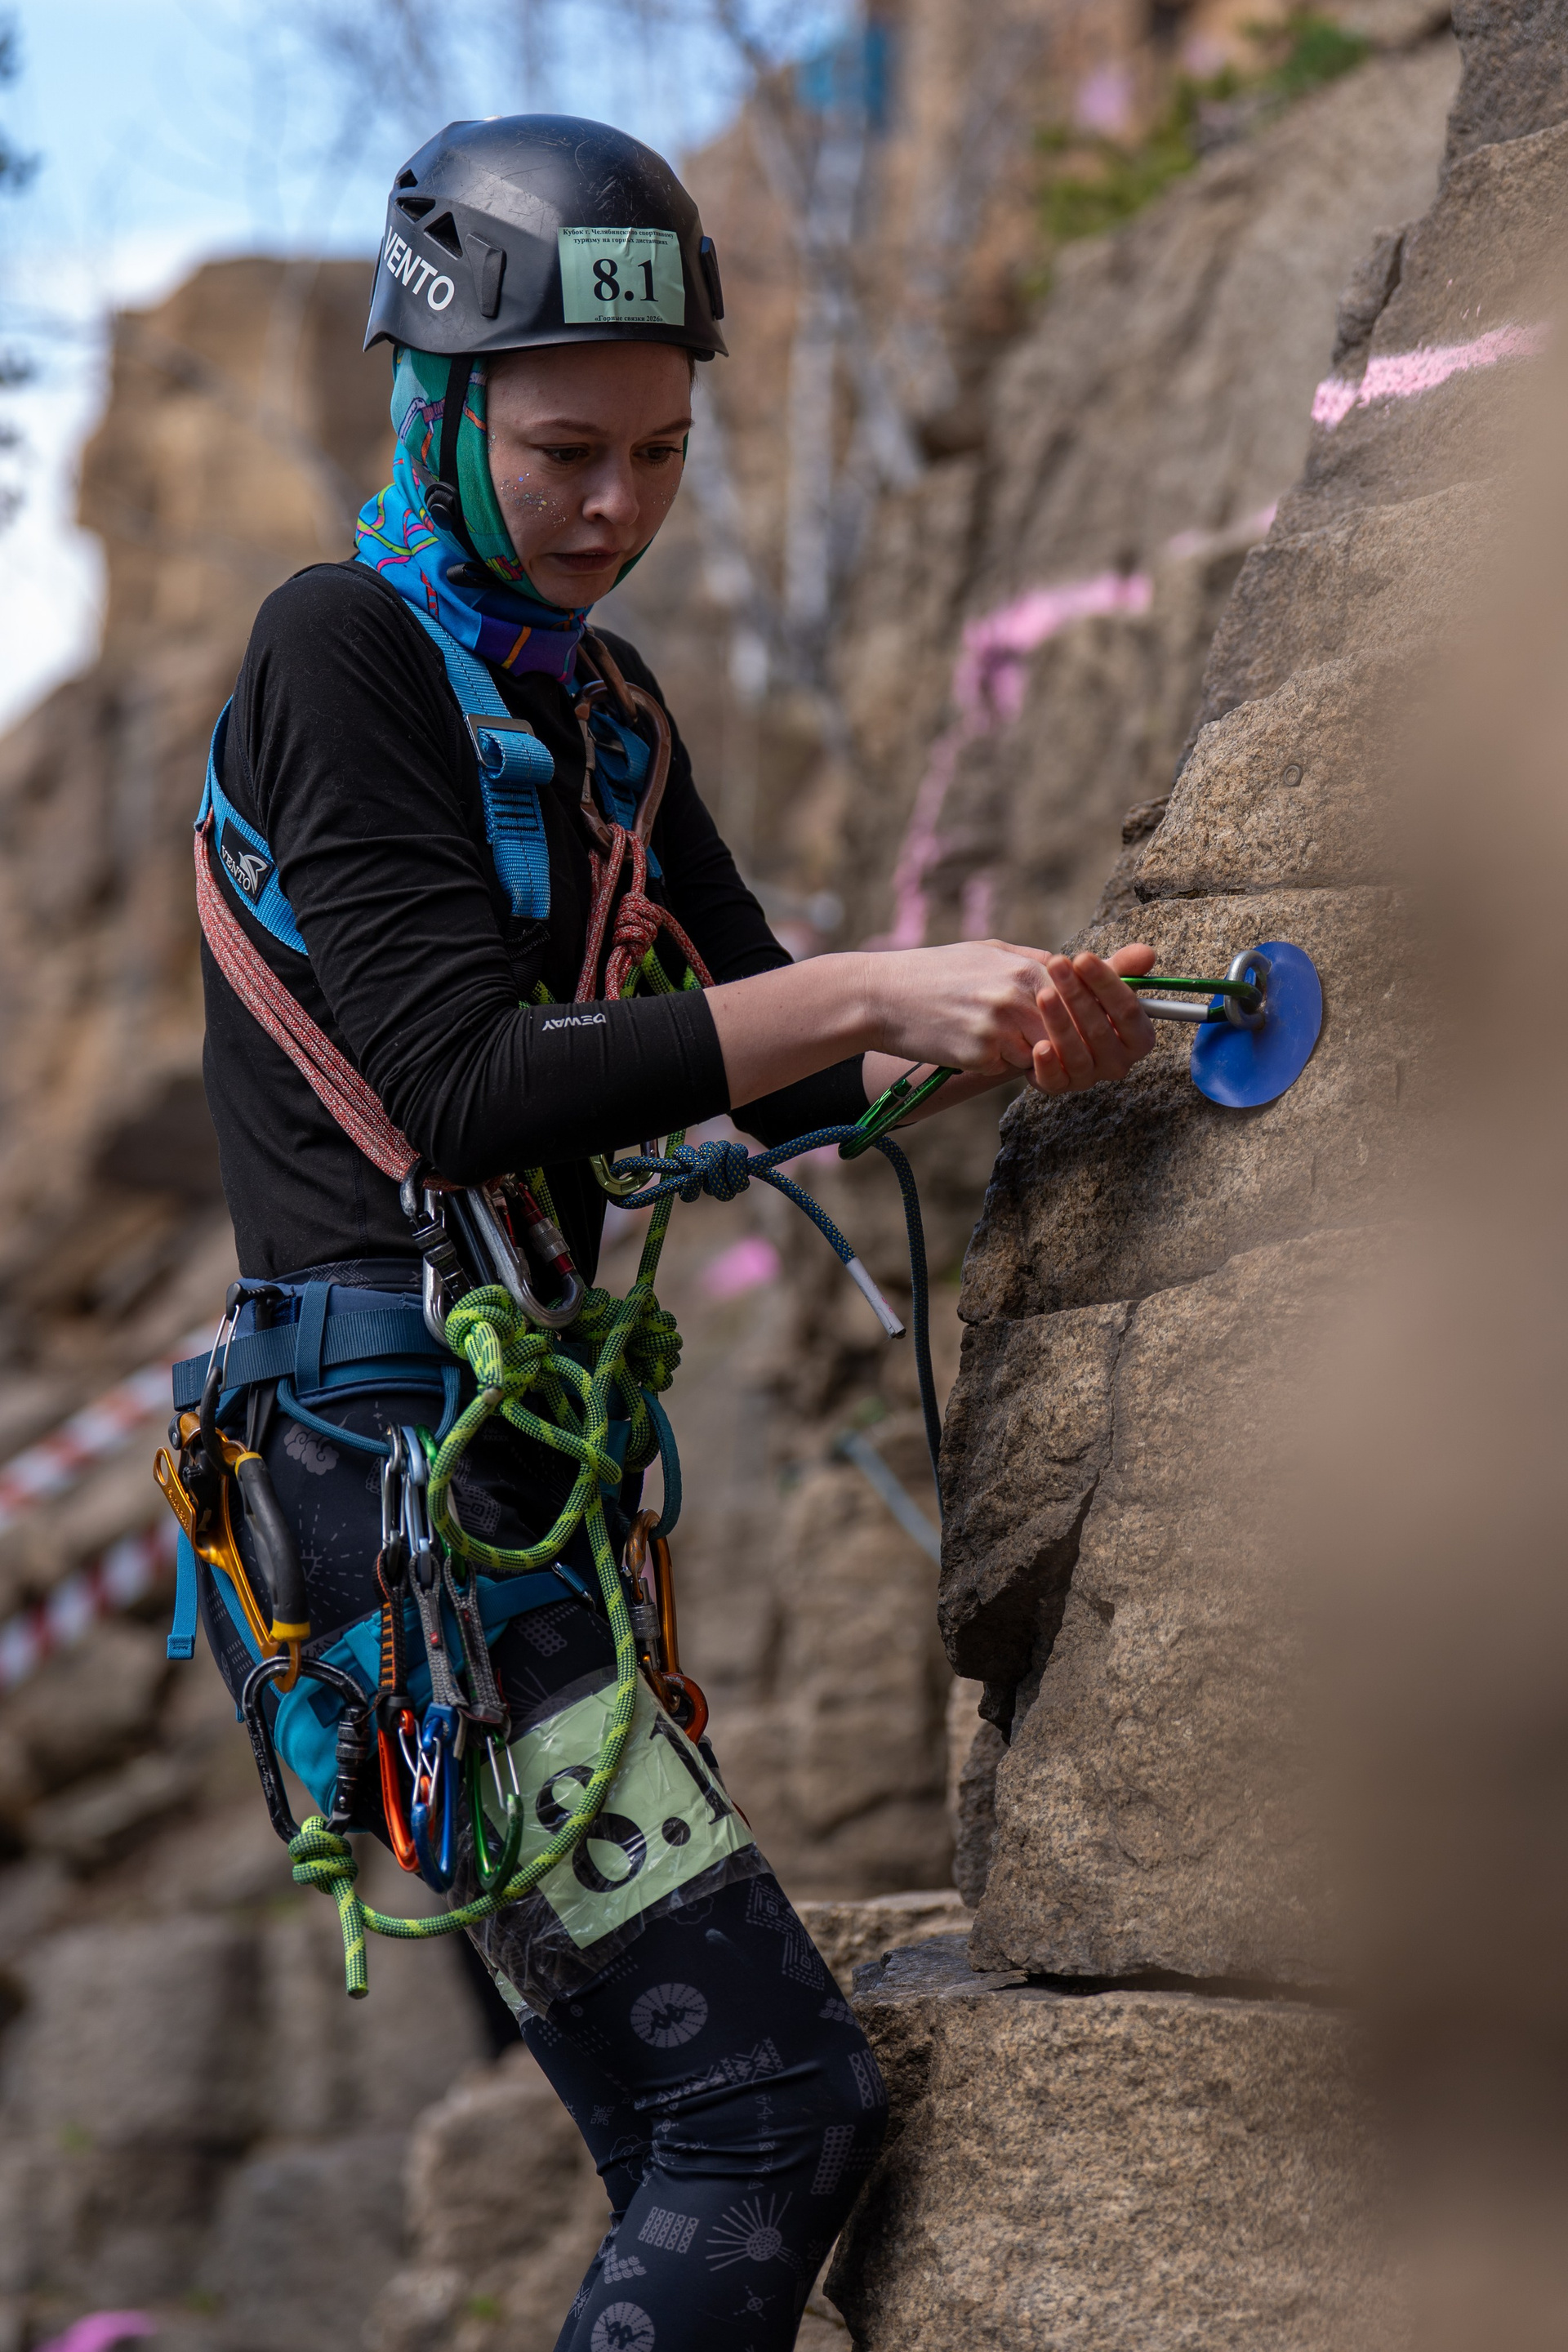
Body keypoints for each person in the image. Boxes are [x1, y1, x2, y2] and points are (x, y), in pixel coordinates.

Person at [189, 114, 1157, 2352]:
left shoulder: (604, 717)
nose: (615, 507)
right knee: (769, 2120)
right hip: (386, 1480)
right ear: (437, 414)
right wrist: (877, 984)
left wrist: (1035, 1024)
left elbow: (786, 1071)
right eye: (563, 452)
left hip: (496, 1480)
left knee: (691, 2136)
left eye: (660, 453)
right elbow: (459, 1084)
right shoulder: (336, 649)